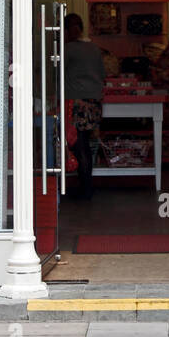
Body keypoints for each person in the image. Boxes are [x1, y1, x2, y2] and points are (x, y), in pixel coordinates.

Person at [63, 13, 105, 200]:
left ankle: (85, 187)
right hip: (94, 101)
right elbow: (102, 73)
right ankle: (87, 185)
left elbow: (57, 73)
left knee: (80, 146)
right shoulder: (95, 49)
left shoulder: (68, 50)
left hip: (77, 101)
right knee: (86, 144)